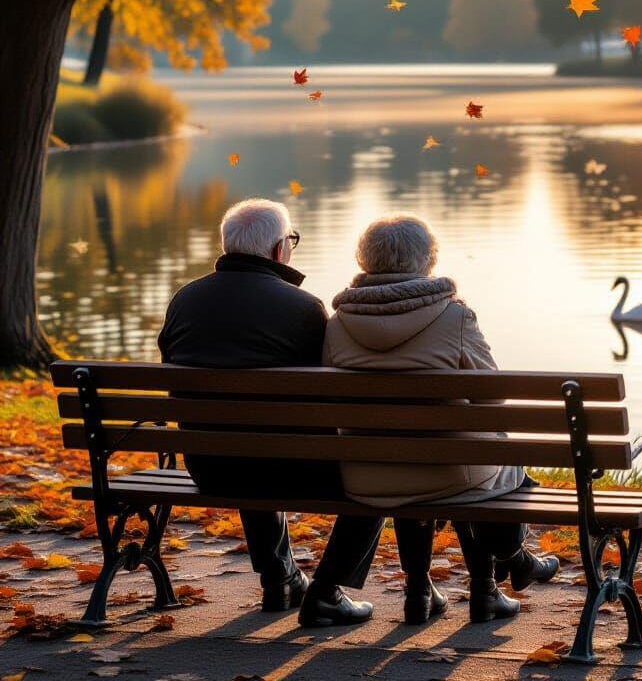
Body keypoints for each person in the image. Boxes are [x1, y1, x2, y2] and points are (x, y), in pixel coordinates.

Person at [317, 214, 559, 627]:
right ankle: (494, 583)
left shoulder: (338, 323)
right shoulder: (454, 317)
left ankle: (420, 593)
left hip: (366, 477)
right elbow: (493, 395)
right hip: (449, 473)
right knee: (479, 452)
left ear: (365, 260)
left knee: (446, 452)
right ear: (427, 260)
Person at [158, 198, 379, 626]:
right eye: (291, 241)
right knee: (379, 476)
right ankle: (328, 591)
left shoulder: (184, 300)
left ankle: (280, 578)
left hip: (210, 464)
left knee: (244, 439)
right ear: (280, 249)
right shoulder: (302, 308)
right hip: (293, 467)